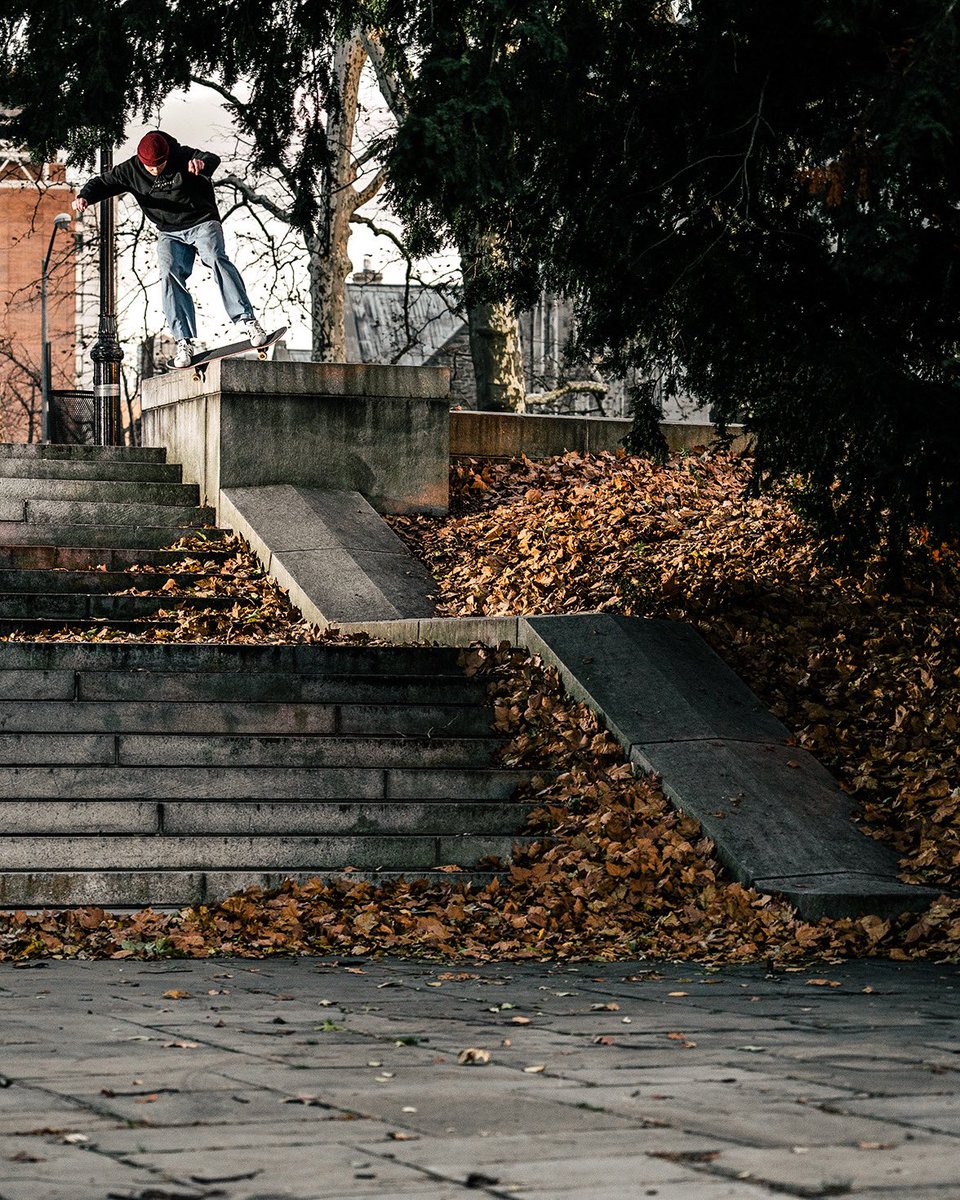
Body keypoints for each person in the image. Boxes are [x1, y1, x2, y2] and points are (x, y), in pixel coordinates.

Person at [73, 130, 267, 367]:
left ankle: (247, 321)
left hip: (202, 221)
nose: (156, 171)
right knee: (168, 273)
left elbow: (211, 157)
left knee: (216, 258)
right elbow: (103, 182)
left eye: (161, 165)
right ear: (141, 162)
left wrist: (201, 163)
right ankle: (183, 340)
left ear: (167, 156)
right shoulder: (130, 170)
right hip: (169, 232)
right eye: (150, 168)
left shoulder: (181, 155)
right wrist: (85, 196)